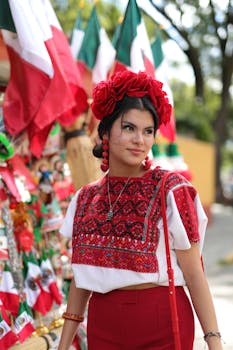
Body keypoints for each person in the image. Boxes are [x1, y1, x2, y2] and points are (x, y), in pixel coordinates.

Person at [58, 70, 222, 350]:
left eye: (148, 131)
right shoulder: (85, 198)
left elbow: (194, 273)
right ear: (106, 130)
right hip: (103, 323)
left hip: (161, 320)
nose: (140, 140)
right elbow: (82, 277)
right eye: (129, 128)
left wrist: (214, 341)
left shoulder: (171, 190)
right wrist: (64, 343)